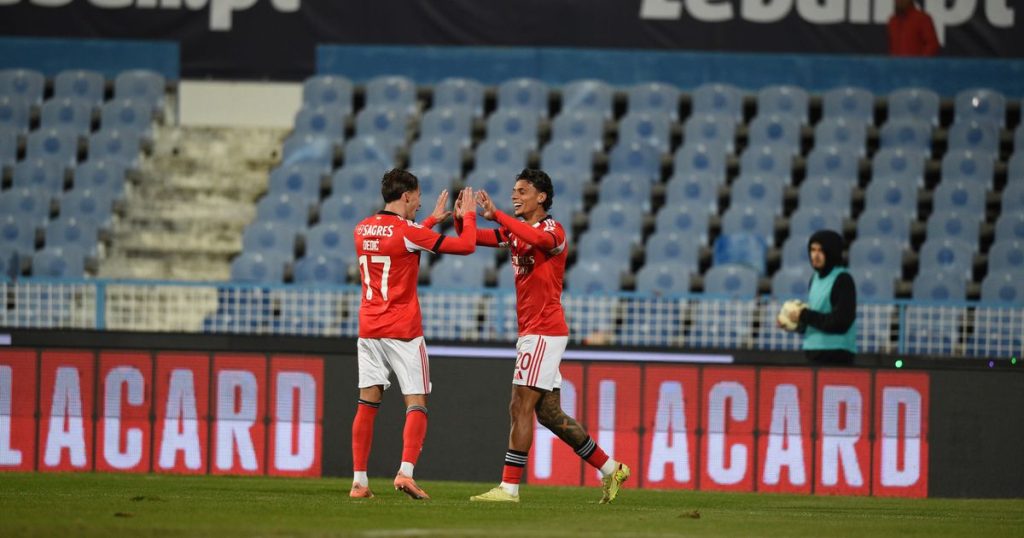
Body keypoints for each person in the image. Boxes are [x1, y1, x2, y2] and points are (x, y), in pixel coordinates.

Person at [460, 169, 630, 504]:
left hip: (543, 330)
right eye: (513, 191)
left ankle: (509, 489)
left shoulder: (553, 230)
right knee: (549, 414)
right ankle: (612, 469)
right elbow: (473, 239)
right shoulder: (515, 232)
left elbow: (539, 241)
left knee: (519, 405)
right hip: (533, 332)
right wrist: (462, 217)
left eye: (522, 191)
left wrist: (500, 217)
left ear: (541, 197)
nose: (515, 196)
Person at [349, 169, 477, 500]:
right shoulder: (407, 231)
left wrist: (431, 220)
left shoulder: (361, 229)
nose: (421, 202)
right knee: (416, 401)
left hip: (368, 328)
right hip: (403, 330)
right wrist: (469, 218)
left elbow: (399, 241)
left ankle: (359, 482)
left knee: (367, 401)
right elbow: (465, 247)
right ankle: (406, 472)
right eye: (418, 196)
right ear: (406, 196)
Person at [784, 230, 857, 364]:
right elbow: (818, 319)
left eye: (821, 251)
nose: (815, 256)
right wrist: (795, 324)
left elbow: (841, 322)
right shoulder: (815, 278)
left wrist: (805, 315)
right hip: (813, 351)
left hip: (836, 353)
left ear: (832, 252)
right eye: (812, 250)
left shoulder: (843, 279)